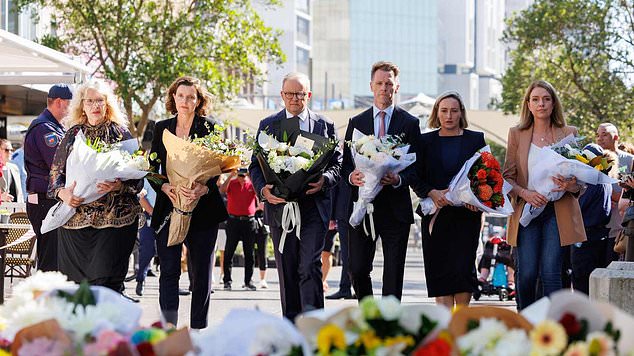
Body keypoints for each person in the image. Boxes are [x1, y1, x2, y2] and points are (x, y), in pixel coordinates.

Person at [249, 72, 342, 321]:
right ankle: (290, 328)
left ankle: (312, 326)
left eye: (300, 94)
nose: (294, 99)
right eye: (289, 93)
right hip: (281, 209)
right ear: (281, 95)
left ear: (308, 95)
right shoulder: (267, 125)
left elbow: (337, 164)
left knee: (309, 266)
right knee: (287, 269)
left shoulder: (325, 125)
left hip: (314, 207)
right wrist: (263, 191)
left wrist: (325, 180)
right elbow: (255, 166)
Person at [48, 80, 141, 293]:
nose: (95, 105)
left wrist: (119, 186)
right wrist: (63, 193)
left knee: (107, 286)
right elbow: (54, 176)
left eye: (99, 100)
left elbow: (139, 177)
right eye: (89, 101)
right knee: (75, 290)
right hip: (75, 222)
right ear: (82, 105)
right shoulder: (72, 134)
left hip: (113, 222)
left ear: (107, 104)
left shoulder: (121, 133)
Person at [149, 76, 227, 329]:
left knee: (201, 273)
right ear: (173, 98)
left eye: (191, 97)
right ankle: (169, 327)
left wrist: (204, 188)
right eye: (180, 96)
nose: (185, 101)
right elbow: (151, 169)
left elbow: (218, 169)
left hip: (204, 211)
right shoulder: (161, 127)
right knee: (169, 270)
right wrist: (164, 186)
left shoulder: (211, 127)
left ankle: (198, 328)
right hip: (169, 208)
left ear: (198, 101)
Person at [503, 80, 586, 310]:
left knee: (551, 271)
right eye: (536, 99)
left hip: (556, 212)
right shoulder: (516, 134)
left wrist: (570, 185)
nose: (541, 104)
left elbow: (580, 183)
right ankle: (526, 319)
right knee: (527, 272)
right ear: (528, 105)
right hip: (527, 211)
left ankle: (552, 327)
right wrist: (525, 193)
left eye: (546, 99)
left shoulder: (569, 134)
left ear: (553, 104)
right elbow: (507, 177)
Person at [342, 61, 421, 301]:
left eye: (389, 83)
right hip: (363, 207)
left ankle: (389, 324)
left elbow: (417, 167)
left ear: (396, 87)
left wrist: (398, 179)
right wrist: (351, 176)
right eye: (379, 83)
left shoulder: (410, 123)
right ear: (371, 86)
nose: (384, 88)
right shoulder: (357, 122)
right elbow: (346, 163)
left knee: (393, 274)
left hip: (395, 208)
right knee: (357, 269)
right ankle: (369, 316)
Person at [409, 91, 486, 308]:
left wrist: (477, 198)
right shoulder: (424, 141)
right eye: (444, 111)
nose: (449, 115)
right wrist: (432, 192)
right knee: (440, 274)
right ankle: (444, 329)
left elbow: (486, 175)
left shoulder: (475, 139)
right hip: (436, 214)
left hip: (466, 217)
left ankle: (461, 326)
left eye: (454, 110)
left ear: (461, 113)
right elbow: (414, 176)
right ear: (437, 113)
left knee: (463, 274)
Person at [24, 83, 71, 272]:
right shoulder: (45, 129)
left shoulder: (54, 127)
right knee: (51, 261)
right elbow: (59, 164)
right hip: (45, 201)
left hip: (49, 200)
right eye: (70, 103)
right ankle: (46, 300)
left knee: (55, 259)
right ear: (59, 102)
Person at [571, 144, 615, 295]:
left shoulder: (593, 181)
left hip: (586, 236)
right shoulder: (604, 179)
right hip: (598, 235)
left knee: (582, 281)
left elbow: (578, 208)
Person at [596, 123, 634, 256]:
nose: (600, 138)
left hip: (620, 224)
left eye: (604, 134)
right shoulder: (592, 161)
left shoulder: (630, 160)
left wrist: (616, 197)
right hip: (596, 223)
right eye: (597, 135)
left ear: (616, 137)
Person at [219, 168, 258, 291]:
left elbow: (260, 194)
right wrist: (231, 175)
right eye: (240, 173)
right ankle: (227, 281)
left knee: (249, 254)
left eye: (244, 173)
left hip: (249, 222)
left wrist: (251, 176)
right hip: (233, 221)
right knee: (229, 251)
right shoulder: (232, 183)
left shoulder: (251, 184)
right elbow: (222, 190)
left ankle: (248, 281)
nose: (242, 175)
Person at [325, 181, 355, 299]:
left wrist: (332, 216)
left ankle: (348, 288)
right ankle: (346, 288)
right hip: (345, 211)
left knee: (350, 254)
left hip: (350, 210)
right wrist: (332, 216)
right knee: (348, 253)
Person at [135, 181, 158, 296]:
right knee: (147, 250)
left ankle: (172, 285)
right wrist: (153, 212)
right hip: (148, 215)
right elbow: (140, 197)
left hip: (166, 215)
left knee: (169, 250)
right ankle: (140, 280)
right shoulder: (147, 175)